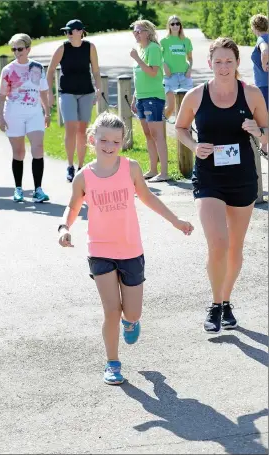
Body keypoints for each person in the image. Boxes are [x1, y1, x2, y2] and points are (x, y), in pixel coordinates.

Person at [58, 112, 193, 385]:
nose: (108, 146)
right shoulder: (84, 177)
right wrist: (64, 226)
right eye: (103, 140)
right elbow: (73, 207)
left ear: (123, 142)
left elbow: (148, 198)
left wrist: (176, 221)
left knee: (131, 312)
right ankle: (112, 363)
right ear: (92, 140)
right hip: (100, 251)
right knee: (111, 310)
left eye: (115, 141)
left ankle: (131, 322)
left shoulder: (130, 168)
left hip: (130, 250)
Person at [175, 37, 268, 334]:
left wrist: (258, 130)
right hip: (209, 177)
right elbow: (179, 128)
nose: (224, 67)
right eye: (218, 61)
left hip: (242, 178)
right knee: (218, 244)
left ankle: (226, 301)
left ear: (237, 63)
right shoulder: (196, 95)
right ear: (209, 63)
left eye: (229, 61)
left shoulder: (251, 94)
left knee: (235, 248)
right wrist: (193, 144)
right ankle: (215, 305)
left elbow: (267, 132)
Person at [46, 19, 102, 182]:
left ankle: (80, 166)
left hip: (86, 92)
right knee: (71, 127)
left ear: (80, 31)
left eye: (70, 31)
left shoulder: (90, 47)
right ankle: (70, 165)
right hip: (67, 92)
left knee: (82, 130)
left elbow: (96, 71)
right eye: (66, 32)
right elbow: (50, 72)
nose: (67, 34)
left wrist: (99, 89)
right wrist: (50, 92)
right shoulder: (62, 48)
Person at [0, 33, 51, 203]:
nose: (16, 52)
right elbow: (1, 96)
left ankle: (38, 190)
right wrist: (0, 117)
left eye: (20, 48)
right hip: (13, 114)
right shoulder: (8, 70)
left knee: (38, 147)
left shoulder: (37, 68)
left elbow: (43, 91)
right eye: (13, 49)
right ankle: (18, 188)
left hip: (34, 113)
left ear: (28, 49)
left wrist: (47, 112)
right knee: (19, 152)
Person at [130, 20, 169, 182]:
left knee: (157, 134)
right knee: (148, 134)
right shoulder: (140, 49)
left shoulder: (153, 48)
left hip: (153, 96)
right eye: (134, 31)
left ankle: (164, 172)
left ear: (147, 32)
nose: (136, 34)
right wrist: (134, 97)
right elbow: (139, 77)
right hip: (141, 97)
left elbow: (153, 73)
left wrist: (137, 59)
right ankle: (153, 169)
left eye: (139, 31)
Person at [160, 15, 193, 119]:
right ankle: (159, 126)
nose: (175, 26)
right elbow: (159, 58)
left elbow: (190, 58)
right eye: (172, 24)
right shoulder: (164, 41)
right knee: (171, 107)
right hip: (170, 77)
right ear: (169, 26)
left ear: (180, 26)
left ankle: (184, 132)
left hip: (184, 77)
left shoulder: (186, 41)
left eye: (177, 23)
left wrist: (189, 70)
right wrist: (165, 66)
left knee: (188, 108)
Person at [250, 14, 268, 108]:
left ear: (254, 27)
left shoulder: (261, 39)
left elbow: (265, 50)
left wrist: (264, 65)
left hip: (265, 86)